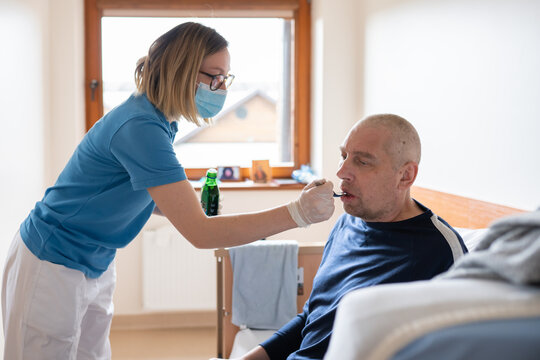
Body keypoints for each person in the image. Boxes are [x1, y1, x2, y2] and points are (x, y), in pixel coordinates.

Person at [1, 22, 335, 359]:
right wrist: (298, 212)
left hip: (96, 260)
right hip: (53, 260)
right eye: (215, 77)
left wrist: (179, 200)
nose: (221, 88)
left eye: (225, 79)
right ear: (183, 70)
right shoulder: (140, 126)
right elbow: (202, 234)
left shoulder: (162, 121)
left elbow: (136, 190)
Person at [219, 114, 468, 360]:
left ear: (405, 176)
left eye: (362, 162)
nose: (341, 172)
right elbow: (312, 317)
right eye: (344, 156)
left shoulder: (442, 253)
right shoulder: (346, 225)